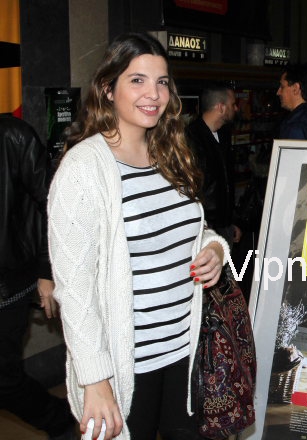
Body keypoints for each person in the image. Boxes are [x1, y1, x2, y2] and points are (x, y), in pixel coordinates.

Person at [47, 33, 230, 440]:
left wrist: (215, 248)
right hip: (127, 364)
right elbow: (74, 288)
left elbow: (190, 231)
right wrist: (95, 379)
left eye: (162, 82)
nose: (154, 94)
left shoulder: (170, 154)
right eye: (137, 80)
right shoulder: (83, 168)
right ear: (107, 89)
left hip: (183, 352)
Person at [0, 115, 77, 439]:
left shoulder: (13, 135)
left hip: (8, 284)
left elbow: (53, 203)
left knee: (4, 378)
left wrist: (47, 271)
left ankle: (59, 420)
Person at [185, 83, 242, 246]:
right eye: (233, 104)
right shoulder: (191, 138)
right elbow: (191, 187)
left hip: (224, 224)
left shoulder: (224, 134)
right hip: (204, 228)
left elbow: (227, 181)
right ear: (221, 107)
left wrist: (232, 220)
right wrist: (203, 225)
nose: (236, 108)